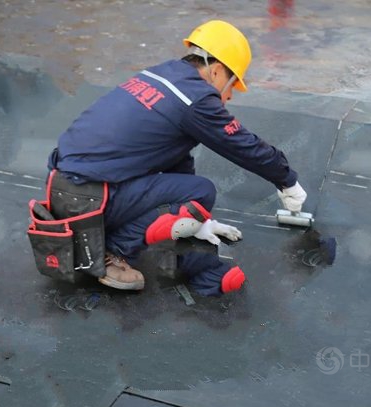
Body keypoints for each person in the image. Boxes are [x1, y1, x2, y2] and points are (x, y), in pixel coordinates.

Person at [46, 20, 307, 295]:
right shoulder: (196, 98)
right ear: (217, 70)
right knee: (202, 191)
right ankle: (113, 251)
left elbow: (173, 155)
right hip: (89, 202)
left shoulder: (160, 75)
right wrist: (287, 180)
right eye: (232, 85)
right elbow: (243, 145)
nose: (228, 96)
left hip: (62, 192)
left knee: (192, 194)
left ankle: (100, 232)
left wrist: (196, 218)